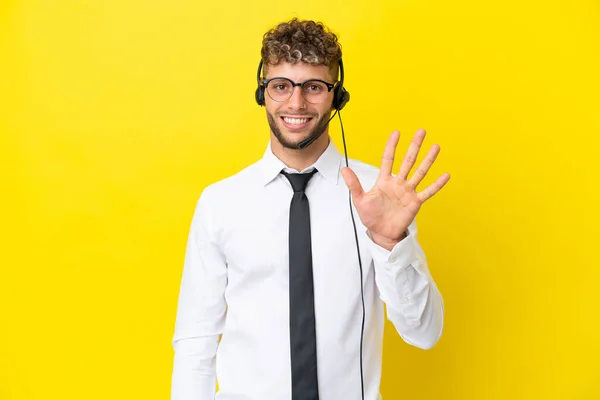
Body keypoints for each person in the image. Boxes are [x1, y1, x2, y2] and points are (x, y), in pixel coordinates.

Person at [171, 18, 450, 400]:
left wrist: (391, 243)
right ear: (262, 92)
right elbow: (195, 342)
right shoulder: (221, 202)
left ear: (337, 97)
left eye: (314, 87)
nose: (296, 103)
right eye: (281, 86)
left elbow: (424, 333)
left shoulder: (380, 197)